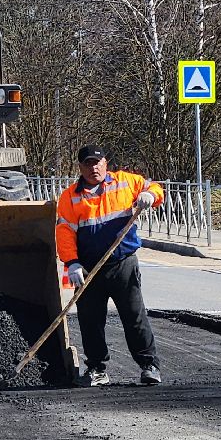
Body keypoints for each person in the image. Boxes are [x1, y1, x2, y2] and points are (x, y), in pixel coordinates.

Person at [55, 146, 164, 386]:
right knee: (90, 320)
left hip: (122, 263)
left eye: (97, 162)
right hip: (88, 269)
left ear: (105, 163)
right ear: (80, 167)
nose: (93, 167)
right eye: (87, 163)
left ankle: (149, 366)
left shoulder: (125, 182)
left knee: (134, 316)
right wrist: (71, 263)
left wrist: (151, 196)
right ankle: (97, 369)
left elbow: (155, 188)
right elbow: (64, 232)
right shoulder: (70, 196)